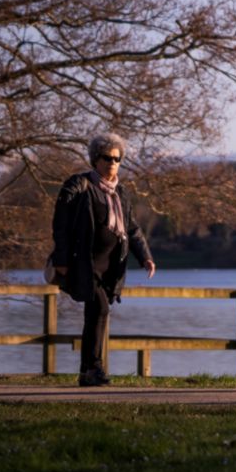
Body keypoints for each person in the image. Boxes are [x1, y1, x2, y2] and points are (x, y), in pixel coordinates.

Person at [50, 134, 154, 387]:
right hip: (85, 263)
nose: (112, 163)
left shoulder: (121, 192)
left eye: (117, 159)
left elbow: (132, 229)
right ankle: (95, 367)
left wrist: (145, 257)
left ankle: (86, 371)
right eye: (107, 158)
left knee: (94, 314)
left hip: (111, 266)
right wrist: (61, 258)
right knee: (101, 309)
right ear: (95, 159)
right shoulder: (80, 185)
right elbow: (61, 223)